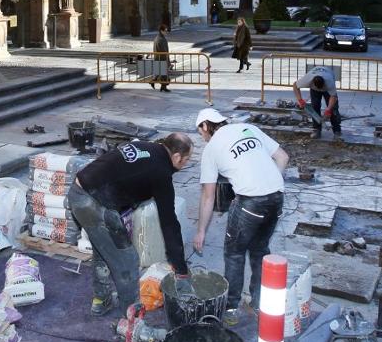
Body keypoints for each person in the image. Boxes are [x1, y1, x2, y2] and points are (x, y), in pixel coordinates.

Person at [68, 134, 193, 316]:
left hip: (78, 193)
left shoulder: (146, 147)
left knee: (104, 250)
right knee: (128, 261)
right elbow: (169, 224)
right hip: (95, 203)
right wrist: (181, 270)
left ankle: (101, 300)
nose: (186, 164)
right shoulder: (161, 172)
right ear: (176, 156)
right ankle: (132, 323)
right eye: (187, 159)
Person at [192, 108, 289, 318]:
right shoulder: (248, 128)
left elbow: (208, 196)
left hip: (250, 203)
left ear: (206, 126)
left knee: (234, 253)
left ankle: (231, 307)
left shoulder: (211, 149)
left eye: (201, 134)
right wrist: (268, 183)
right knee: (260, 249)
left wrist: (201, 231)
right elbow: (282, 157)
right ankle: (260, 303)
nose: (203, 138)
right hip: (277, 198)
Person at [292, 65, 340, 139]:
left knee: (333, 108)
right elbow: (295, 85)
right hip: (314, 89)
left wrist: (328, 110)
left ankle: (337, 131)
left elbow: (333, 97)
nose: (320, 90)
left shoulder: (329, 82)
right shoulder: (307, 79)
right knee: (315, 106)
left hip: (327, 83)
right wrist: (300, 100)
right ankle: (317, 129)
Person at [150, 23, 170, 92]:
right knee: (163, 74)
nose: (166, 32)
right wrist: (167, 60)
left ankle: (162, 86)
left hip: (160, 58)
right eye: (165, 31)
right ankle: (155, 82)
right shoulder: (160, 39)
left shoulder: (160, 38)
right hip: (161, 58)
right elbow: (164, 51)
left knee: (163, 74)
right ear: (161, 31)